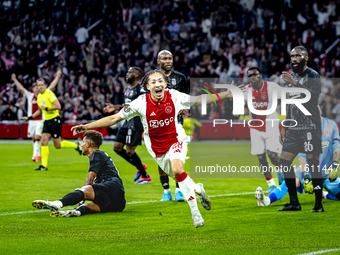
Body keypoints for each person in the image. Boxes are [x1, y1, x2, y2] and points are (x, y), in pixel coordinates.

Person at [72, 69, 237, 227]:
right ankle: (197, 189)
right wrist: (87, 126)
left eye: (160, 81)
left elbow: (198, 99)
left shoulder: (174, 96)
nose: (157, 84)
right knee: (180, 177)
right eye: (153, 82)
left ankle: (195, 213)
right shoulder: (140, 103)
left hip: (176, 140)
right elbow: (114, 118)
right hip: (157, 150)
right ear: (147, 87)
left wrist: (226, 94)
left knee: (178, 171)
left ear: (165, 83)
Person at [255, 107, 340, 206]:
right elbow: (302, 156)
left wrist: (334, 166)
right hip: (307, 169)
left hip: (327, 172)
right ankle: (266, 201)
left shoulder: (331, 125)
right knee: (291, 181)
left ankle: (325, 195)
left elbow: (336, 148)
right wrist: (307, 177)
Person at [32, 130, 126, 217]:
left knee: (83, 190)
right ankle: (76, 212)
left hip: (113, 187)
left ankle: (57, 204)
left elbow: (89, 180)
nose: (81, 145)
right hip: (118, 202)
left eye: (83, 142)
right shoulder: (100, 156)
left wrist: (81, 193)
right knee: (88, 206)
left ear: (88, 144)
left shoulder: (96, 154)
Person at [279, 45, 323, 212]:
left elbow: (312, 98)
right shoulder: (294, 76)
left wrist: (294, 83)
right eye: (292, 56)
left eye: (297, 55)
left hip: (310, 126)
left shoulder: (313, 75)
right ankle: (294, 202)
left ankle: (318, 204)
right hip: (295, 128)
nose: (294, 58)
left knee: (313, 163)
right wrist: (285, 127)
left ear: (306, 58)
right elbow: (291, 104)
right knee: (284, 162)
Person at [21, 77, 82, 170]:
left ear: (45, 86)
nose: (40, 87)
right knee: (43, 142)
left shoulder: (49, 94)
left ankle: (76, 145)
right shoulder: (39, 97)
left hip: (55, 120)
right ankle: (44, 166)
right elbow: (39, 110)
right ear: (37, 87)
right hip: (47, 121)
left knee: (57, 145)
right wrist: (29, 117)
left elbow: (58, 106)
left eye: (42, 85)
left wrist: (46, 109)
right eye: (38, 85)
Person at [103, 67, 151, 184]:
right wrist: (115, 107)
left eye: (131, 72)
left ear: (138, 75)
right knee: (117, 148)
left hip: (135, 122)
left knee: (130, 151)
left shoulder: (141, 89)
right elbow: (128, 105)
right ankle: (139, 165)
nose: (127, 74)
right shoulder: (128, 89)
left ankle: (145, 176)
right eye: (128, 71)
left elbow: (146, 104)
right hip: (126, 121)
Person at [244, 67, 284, 192]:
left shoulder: (272, 87)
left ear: (260, 75)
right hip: (255, 128)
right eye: (250, 75)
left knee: (272, 155)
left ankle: (282, 174)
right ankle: (271, 184)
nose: (252, 77)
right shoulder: (246, 91)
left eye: (255, 75)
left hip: (271, 126)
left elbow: (285, 95)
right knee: (261, 158)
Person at [156, 50, 189, 202]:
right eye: (164, 58)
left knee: (177, 157)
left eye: (170, 58)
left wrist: (185, 108)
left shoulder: (180, 78)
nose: (168, 61)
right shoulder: (152, 78)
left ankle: (178, 190)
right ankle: (166, 191)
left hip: (176, 124)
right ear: (158, 61)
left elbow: (187, 98)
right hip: (158, 123)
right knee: (161, 159)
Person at [12, 72, 61, 162]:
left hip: (41, 120)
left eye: (39, 86)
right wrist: (15, 80)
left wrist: (57, 76)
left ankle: (35, 156)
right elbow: (21, 88)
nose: (38, 88)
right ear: (34, 89)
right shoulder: (31, 96)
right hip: (32, 121)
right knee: (34, 138)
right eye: (36, 87)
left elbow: (52, 86)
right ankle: (37, 154)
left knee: (38, 137)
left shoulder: (46, 93)